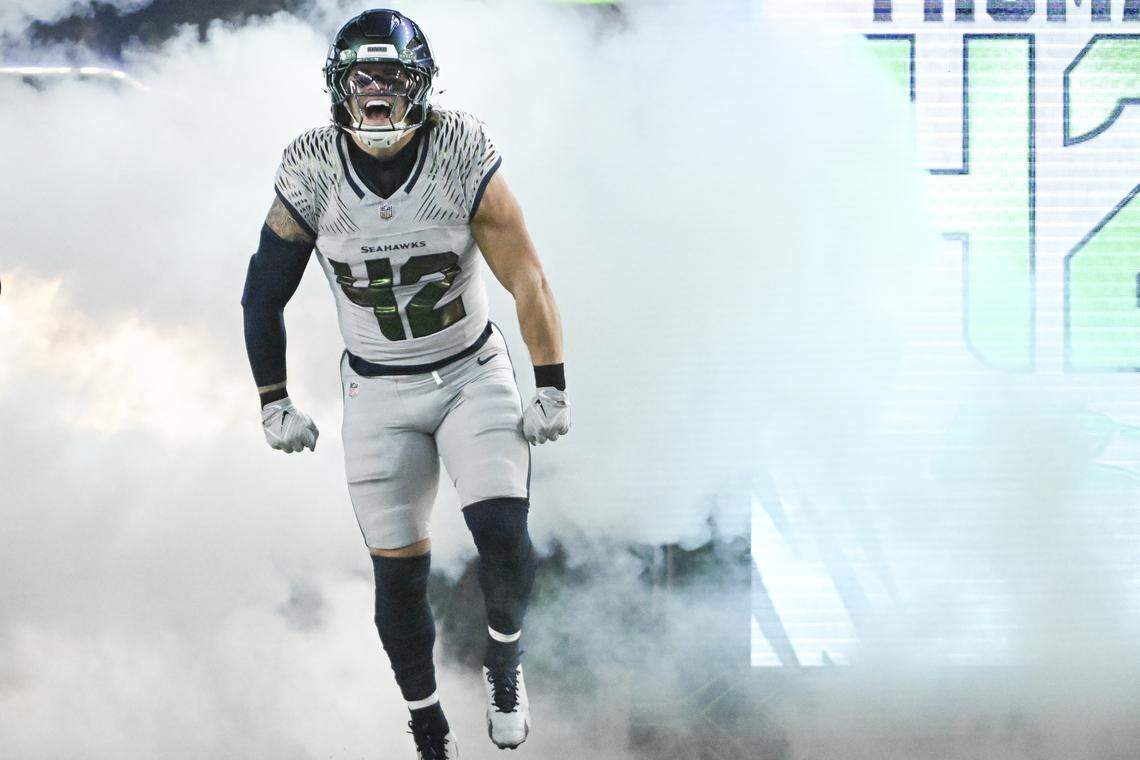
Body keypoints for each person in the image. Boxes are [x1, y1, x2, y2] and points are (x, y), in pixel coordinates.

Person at [240, 9, 570, 758]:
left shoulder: (459, 149)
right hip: (378, 391)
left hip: (468, 372)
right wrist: (272, 400)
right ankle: (425, 718)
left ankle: (504, 658)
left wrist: (551, 381)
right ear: (337, 87)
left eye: (393, 77)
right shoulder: (312, 167)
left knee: (505, 539)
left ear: (422, 86)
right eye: (363, 76)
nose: (378, 92)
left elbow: (527, 276)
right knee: (399, 579)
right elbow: (263, 292)